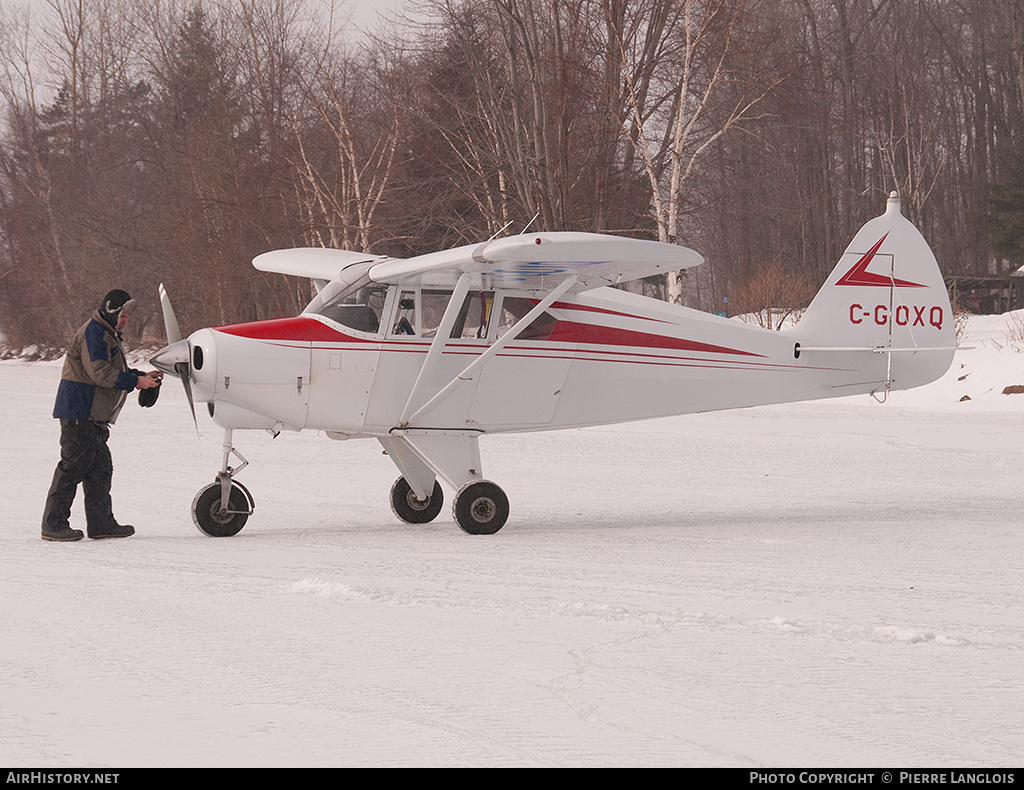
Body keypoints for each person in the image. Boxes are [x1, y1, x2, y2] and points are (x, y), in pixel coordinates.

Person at [41, 290, 163, 542]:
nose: (126, 321)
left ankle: (101, 523)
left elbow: (116, 371)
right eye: (124, 315)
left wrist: (142, 376)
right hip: (80, 412)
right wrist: (135, 380)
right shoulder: (94, 333)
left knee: (100, 470)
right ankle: (53, 525)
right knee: (73, 468)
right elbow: (101, 373)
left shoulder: (106, 335)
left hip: (93, 415)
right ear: (112, 310)